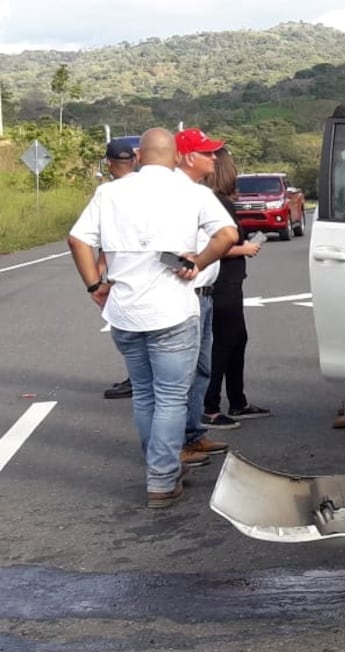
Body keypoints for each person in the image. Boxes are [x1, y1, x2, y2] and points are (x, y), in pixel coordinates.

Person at [67, 127, 238, 508]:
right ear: (177, 157)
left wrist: (95, 286)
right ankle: (161, 479)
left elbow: (78, 240)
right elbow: (227, 234)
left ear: (139, 156)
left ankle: (159, 467)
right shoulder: (193, 193)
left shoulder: (109, 192)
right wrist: (199, 261)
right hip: (172, 310)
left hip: (125, 312)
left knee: (144, 394)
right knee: (172, 397)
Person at [174, 128, 238, 455]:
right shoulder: (178, 193)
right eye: (207, 152)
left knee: (201, 368)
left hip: (206, 293)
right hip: (187, 293)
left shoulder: (198, 191)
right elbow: (227, 236)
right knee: (181, 373)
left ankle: (193, 433)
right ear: (188, 157)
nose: (214, 158)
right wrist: (197, 263)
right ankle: (176, 445)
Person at [202, 147, 270, 423]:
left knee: (236, 339)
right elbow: (211, 245)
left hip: (229, 279)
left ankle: (237, 400)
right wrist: (244, 249)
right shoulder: (216, 202)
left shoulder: (211, 200)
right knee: (224, 342)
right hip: (222, 280)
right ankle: (210, 405)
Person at [99, 136, 141, 400]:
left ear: (109, 164)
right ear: (135, 160)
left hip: (124, 269)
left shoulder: (108, 193)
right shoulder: (152, 189)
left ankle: (137, 378)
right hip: (155, 266)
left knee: (128, 330)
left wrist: (96, 278)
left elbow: (91, 236)